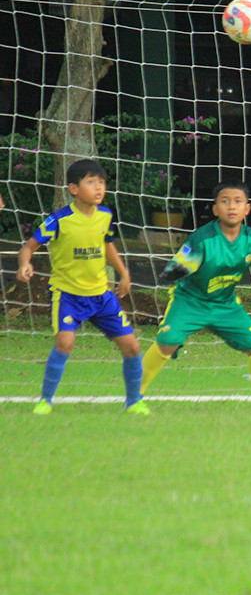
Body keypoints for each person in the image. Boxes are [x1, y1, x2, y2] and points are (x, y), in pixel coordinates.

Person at [140, 181, 251, 411]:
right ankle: (134, 397)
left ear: (247, 209)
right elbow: (180, 266)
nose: (231, 207)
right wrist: (175, 270)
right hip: (190, 302)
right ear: (215, 209)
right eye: (224, 202)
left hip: (226, 305)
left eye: (237, 202)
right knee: (167, 342)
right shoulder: (202, 238)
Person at [16, 158, 146, 414]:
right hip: (68, 296)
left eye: (102, 183)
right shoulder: (59, 220)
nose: (99, 188)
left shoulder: (105, 215)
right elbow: (29, 246)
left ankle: (134, 402)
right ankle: (45, 401)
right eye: (91, 182)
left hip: (101, 296)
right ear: (73, 189)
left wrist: (123, 273)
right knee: (65, 344)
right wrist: (24, 265)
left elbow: (107, 244)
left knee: (132, 346)